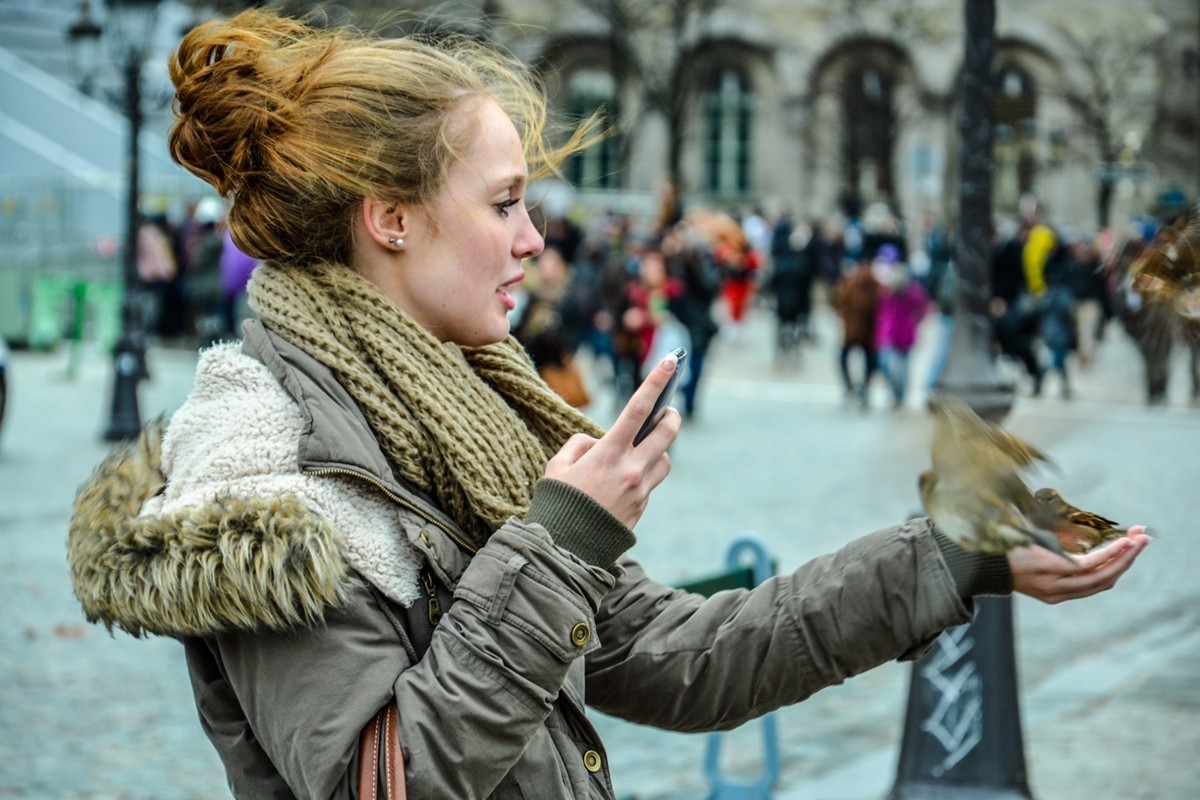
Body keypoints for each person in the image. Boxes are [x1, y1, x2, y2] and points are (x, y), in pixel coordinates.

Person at [67, 10, 1150, 800]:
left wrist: (950, 557)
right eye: (504, 203)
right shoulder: (263, 471)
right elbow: (379, 784)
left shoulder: (460, 410)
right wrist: (560, 538)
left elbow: (684, 656)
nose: (534, 239)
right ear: (390, 218)